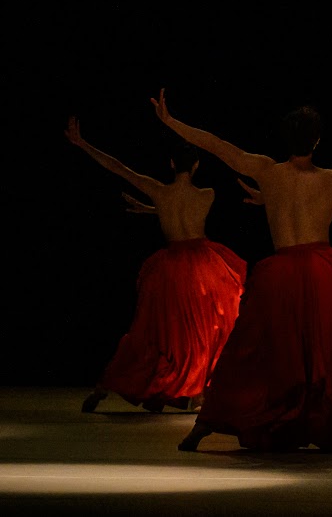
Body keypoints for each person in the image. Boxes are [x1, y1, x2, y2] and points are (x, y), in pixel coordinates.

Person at [151, 91, 332, 453]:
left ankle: (204, 425)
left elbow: (218, 146)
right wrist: (272, 199)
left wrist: (171, 122)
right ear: (317, 140)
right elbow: (307, 198)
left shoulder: (269, 172)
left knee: (251, 349)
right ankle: (323, 427)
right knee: (324, 353)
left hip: (281, 273)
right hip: (323, 272)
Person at [66, 117, 246, 415]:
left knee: (153, 332)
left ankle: (104, 387)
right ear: (196, 166)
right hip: (203, 267)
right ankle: (198, 392)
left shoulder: (159, 191)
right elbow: (188, 213)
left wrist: (83, 144)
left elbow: (119, 168)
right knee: (205, 328)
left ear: (171, 164)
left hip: (170, 268)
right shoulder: (207, 195)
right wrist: (154, 210)